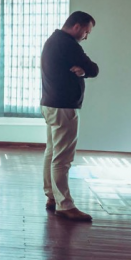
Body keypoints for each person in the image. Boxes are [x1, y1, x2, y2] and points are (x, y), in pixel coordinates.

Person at [40, 11, 99, 222]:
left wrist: (83, 70)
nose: (86, 36)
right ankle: (64, 205)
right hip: (64, 107)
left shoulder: (53, 41)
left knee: (52, 152)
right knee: (62, 158)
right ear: (77, 27)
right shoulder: (68, 44)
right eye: (86, 31)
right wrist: (85, 70)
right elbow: (94, 68)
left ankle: (52, 196)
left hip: (50, 104)